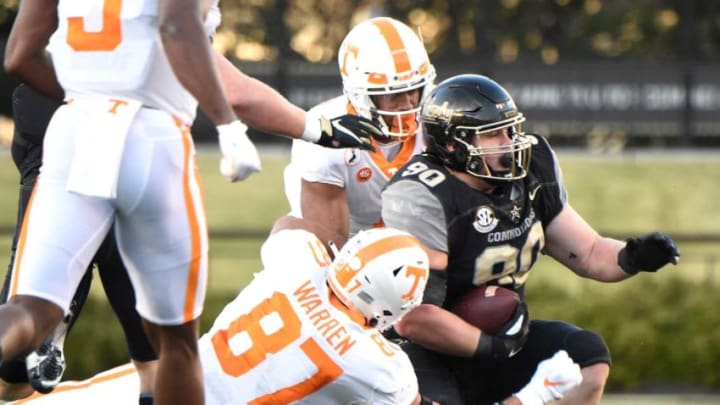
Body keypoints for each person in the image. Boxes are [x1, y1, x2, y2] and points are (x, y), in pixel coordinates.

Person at [1, 1, 379, 404]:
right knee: (175, 343)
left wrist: (91, 95)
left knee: (30, 311)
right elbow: (180, 26)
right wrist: (227, 125)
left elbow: (20, 54)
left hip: (72, 129)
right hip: (152, 135)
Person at [9, 216, 585, 405]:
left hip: (150, 386)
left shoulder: (298, 261)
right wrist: (537, 394)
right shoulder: (375, 362)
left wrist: (330, 258)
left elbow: (290, 226)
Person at [381, 74, 681, 405]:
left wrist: (633, 257)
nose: (509, 140)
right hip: (428, 348)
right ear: (452, 144)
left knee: (586, 360)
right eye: (493, 133)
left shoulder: (531, 172)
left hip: (499, 336)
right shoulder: (422, 194)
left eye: (510, 129)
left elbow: (591, 253)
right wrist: (492, 345)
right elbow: (414, 317)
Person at [0, 84, 158, 405]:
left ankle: (55, 300)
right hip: (118, 126)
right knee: (161, 362)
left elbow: (21, 54)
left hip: (52, 114)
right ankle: (56, 300)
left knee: (10, 382)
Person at [285, 16, 435, 241]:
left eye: (414, 89)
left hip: (423, 243)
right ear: (360, 95)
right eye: (393, 93)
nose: (406, 103)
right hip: (351, 245)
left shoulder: (440, 118)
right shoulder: (325, 135)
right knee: (290, 246)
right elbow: (330, 243)